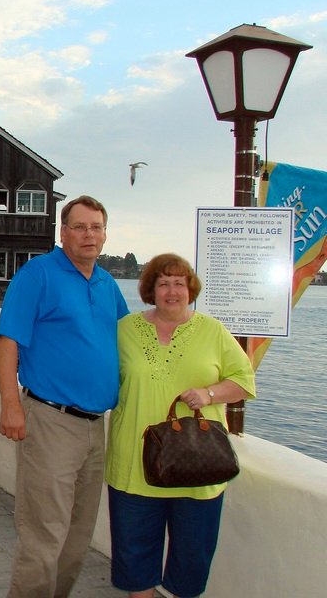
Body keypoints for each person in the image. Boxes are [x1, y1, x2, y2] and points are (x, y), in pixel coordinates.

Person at [0, 195, 129, 597]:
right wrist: (10, 405)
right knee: (43, 536)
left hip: (95, 427)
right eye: (81, 227)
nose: (90, 235)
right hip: (51, 421)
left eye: (97, 227)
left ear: (105, 235)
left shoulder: (107, 285)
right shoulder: (38, 275)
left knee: (77, 537)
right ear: (64, 232)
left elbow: (132, 343)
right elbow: (8, 340)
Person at [105, 253, 255, 598]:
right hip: (134, 463)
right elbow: (98, 376)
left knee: (191, 560)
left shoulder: (213, 330)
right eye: (163, 283)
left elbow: (244, 381)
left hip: (198, 465)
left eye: (179, 283)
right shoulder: (125, 330)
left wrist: (210, 392)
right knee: (134, 558)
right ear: (150, 289)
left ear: (190, 289)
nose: (172, 291)